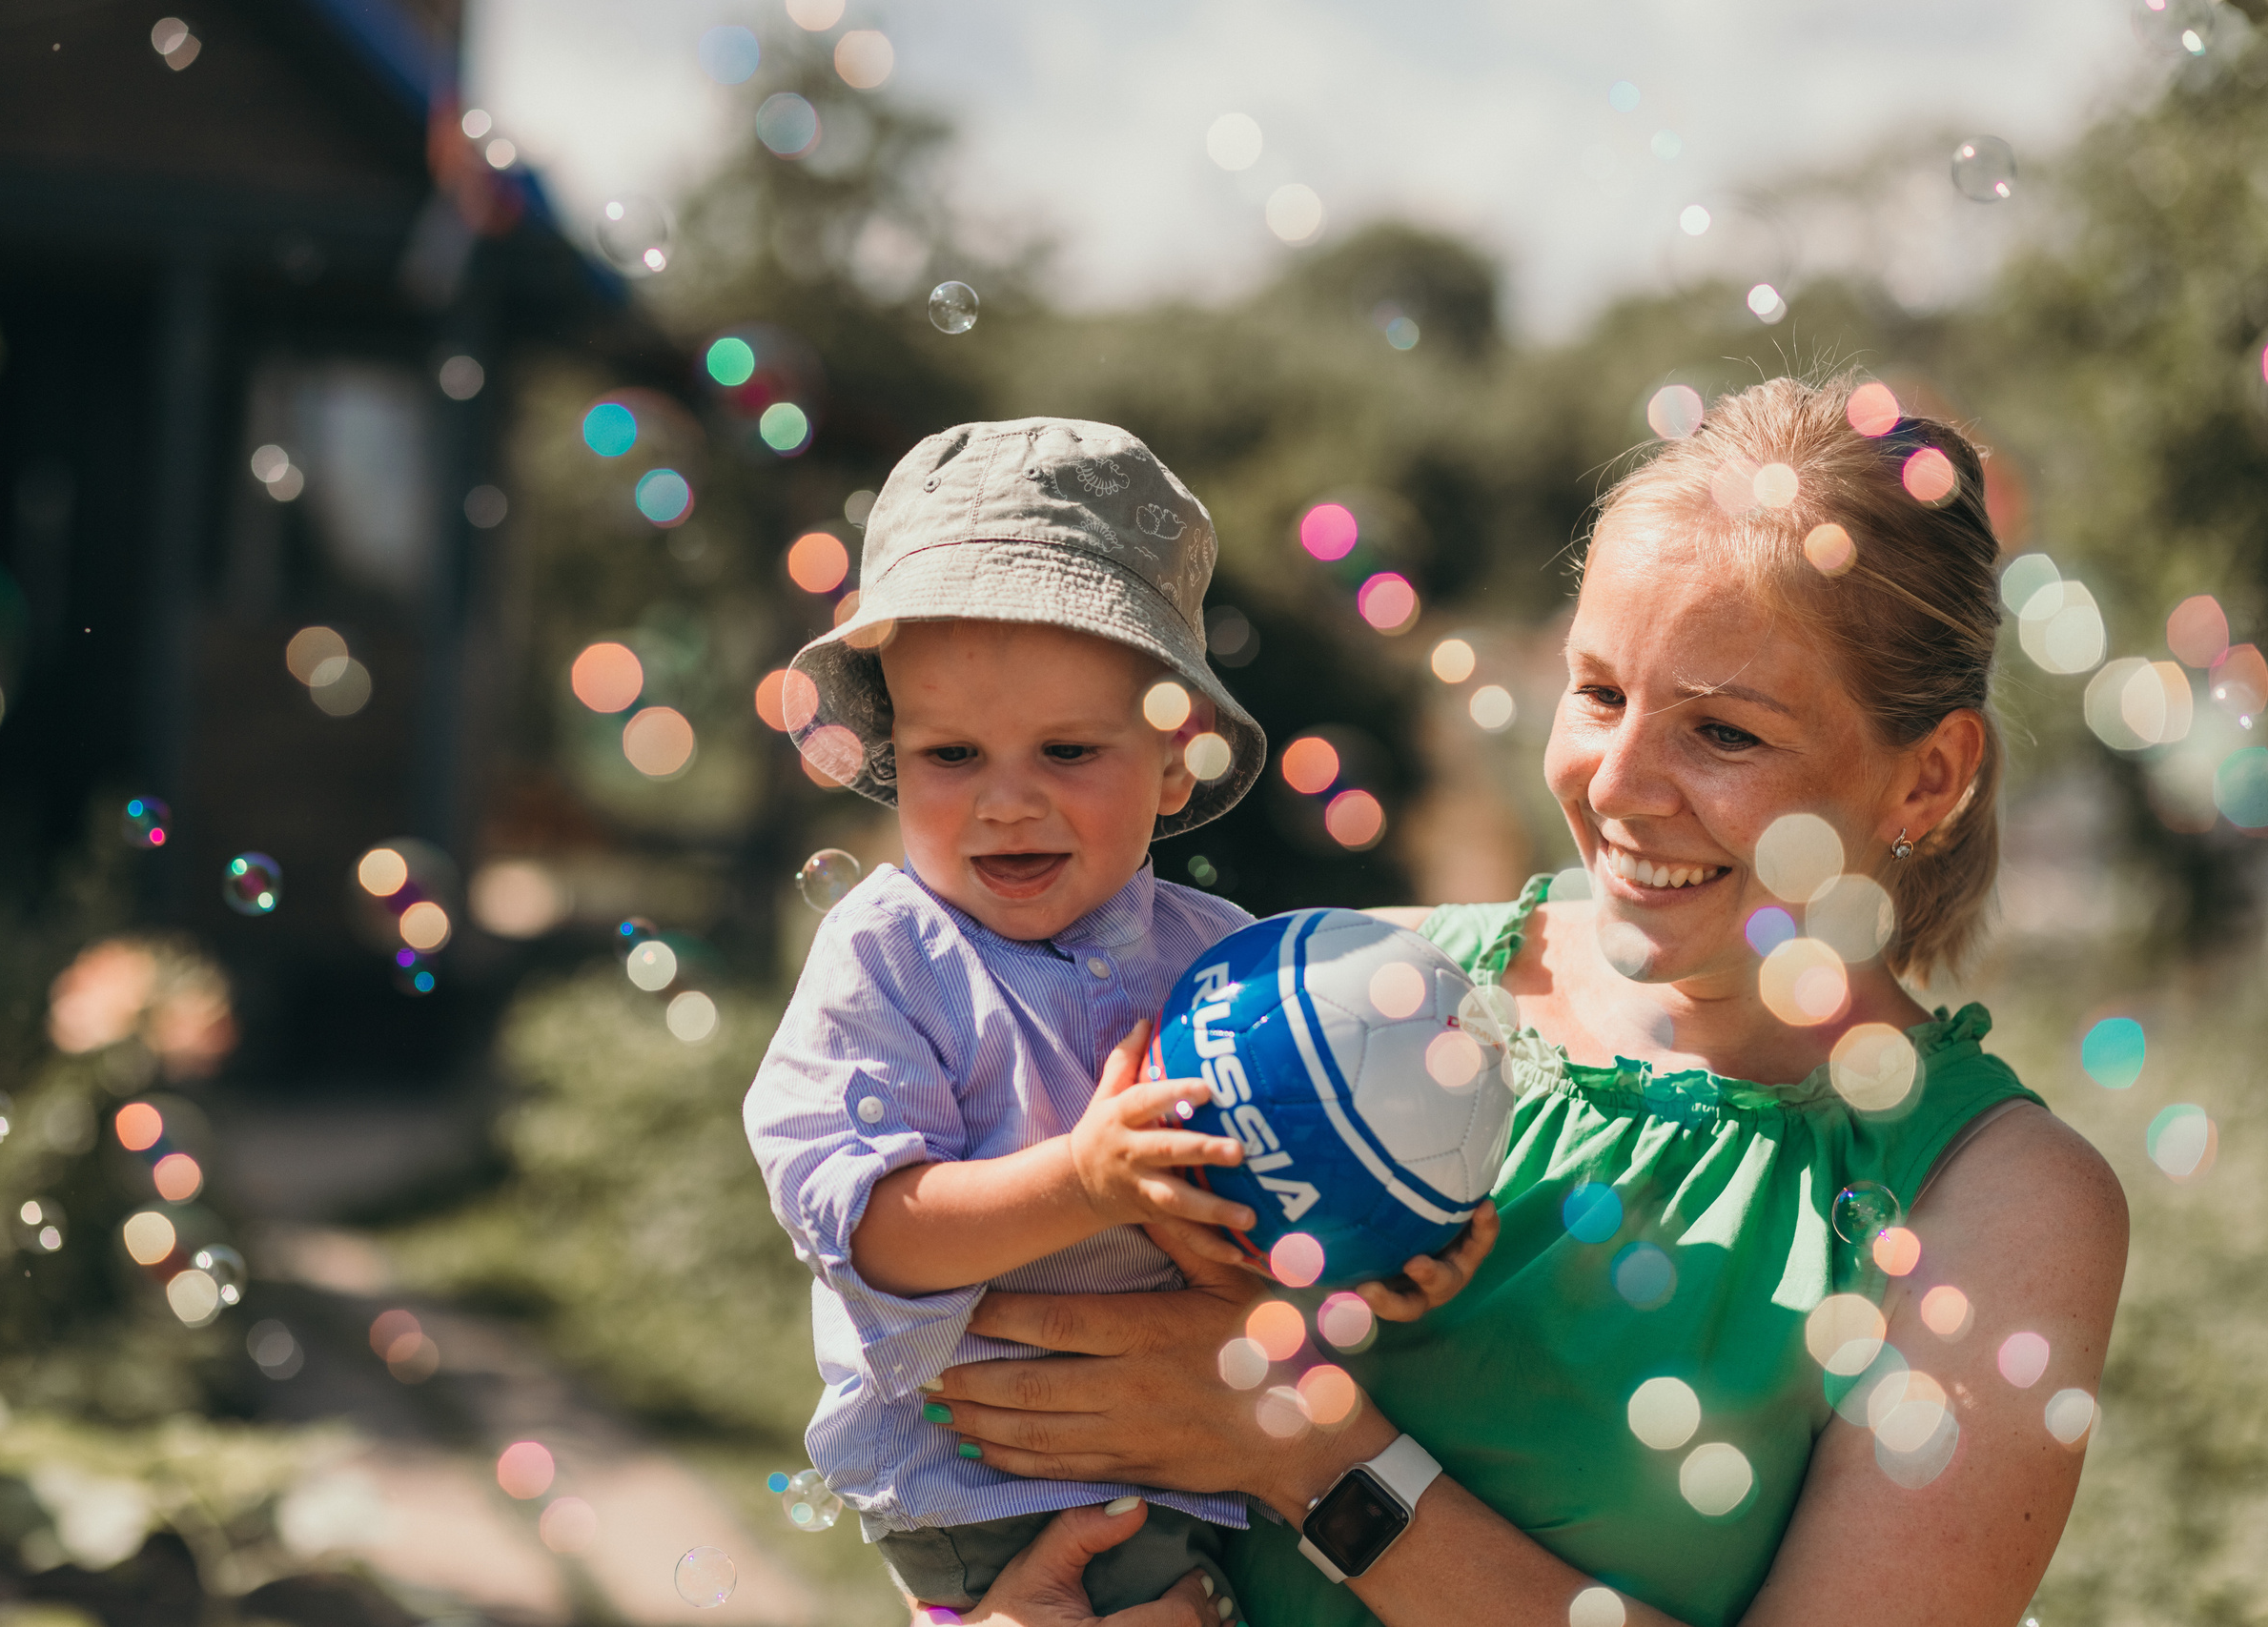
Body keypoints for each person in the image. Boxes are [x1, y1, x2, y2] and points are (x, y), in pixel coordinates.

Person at [917, 377, 2131, 1627]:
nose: (1618, 783)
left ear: (1928, 777)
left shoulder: (1998, 1198)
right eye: (1600, 692)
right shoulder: (1333, 993)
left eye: (1723, 733)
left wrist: (1304, 1449)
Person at [744, 419, 1473, 1618]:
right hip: (986, 1496)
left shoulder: (1225, 965)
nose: (1007, 801)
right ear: (890, 756)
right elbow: (870, 1231)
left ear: (1175, 762)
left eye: (1069, 749)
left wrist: (1386, 1235)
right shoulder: (889, 956)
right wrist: (1082, 1179)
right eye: (951, 754)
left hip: (1189, 1471)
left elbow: (1273, 1194)